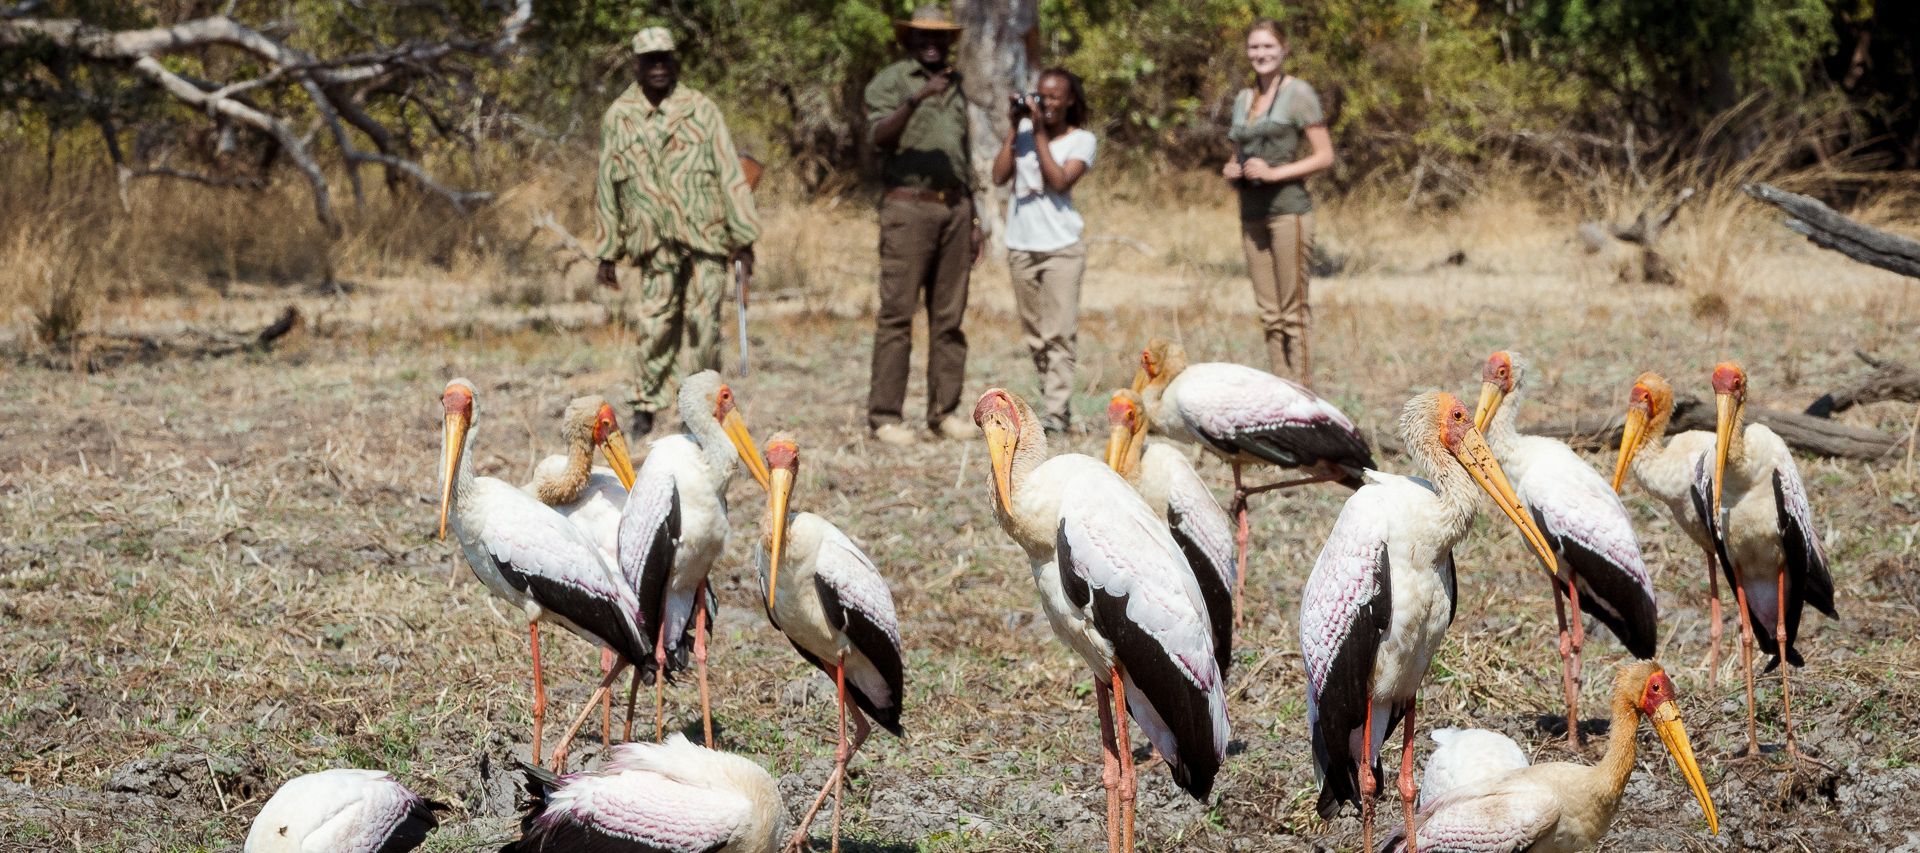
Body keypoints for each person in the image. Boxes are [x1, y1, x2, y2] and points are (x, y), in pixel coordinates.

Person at [593, 26, 759, 438]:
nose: (659, 67)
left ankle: (701, 409)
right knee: (655, 325)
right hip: (653, 241)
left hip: (706, 236)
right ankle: (645, 407)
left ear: (675, 61)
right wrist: (607, 249)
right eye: (650, 60)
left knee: (705, 326)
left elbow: (730, 175)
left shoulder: (702, 109)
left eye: (665, 58)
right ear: (636, 65)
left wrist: (744, 238)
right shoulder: (619, 116)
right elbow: (607, 185)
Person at [863, 4, 985, 446]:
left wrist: (974, 216)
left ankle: (945, 412)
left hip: (955, 207)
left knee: (949, 317)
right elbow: (878, 137)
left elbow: (962, 155)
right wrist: (917, 99)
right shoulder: (891, 82)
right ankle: (885, 416)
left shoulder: (958, 85)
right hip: (908, 207)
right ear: (910, 40)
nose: (932, 44)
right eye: (923, 37)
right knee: (897, 315)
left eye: (940, 37)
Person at [1223, 18, 1335, 386]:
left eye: (1268, 46)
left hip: (1289, 211)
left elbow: (1324, 156)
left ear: (1284, 49)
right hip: (1251, 212)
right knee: (1269, 315)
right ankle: (1280, 392)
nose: (1261, 54)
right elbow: (1238, 152)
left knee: (1293, 313)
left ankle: (1304, 397)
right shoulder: (1243, 99)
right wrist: (1232, 169)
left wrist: (1275, 173)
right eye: (1254, 47)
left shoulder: (1298, 93)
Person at [990, 68, 1096, 436]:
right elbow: (998, 177)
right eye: (1041, 95)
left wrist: (1036, 132)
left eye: (1054, 97)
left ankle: (1057, 411)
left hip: (1061, 248)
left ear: (1069, 101)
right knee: (1035, 333)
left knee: (1059, 333)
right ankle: (1048, 397)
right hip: (1021, 244)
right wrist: (1013, 127)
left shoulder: (1082, 140)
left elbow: (1060, 180)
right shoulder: (1021, 133)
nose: (1046, 103)